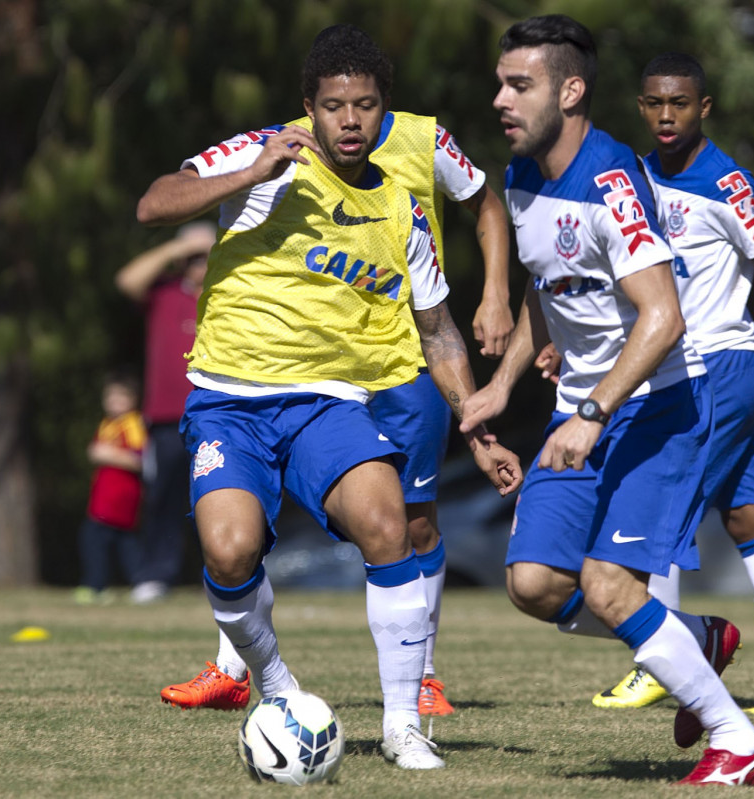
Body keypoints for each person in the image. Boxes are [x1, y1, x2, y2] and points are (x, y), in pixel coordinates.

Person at [135, 24, 522, 771]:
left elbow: (438, 331)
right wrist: (248, 174)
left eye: (367, 105)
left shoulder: (403, 209)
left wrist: (479, 429)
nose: (351, 120)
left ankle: (405, 725)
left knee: (389, 522)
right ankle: (276, 686)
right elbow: (155, 204)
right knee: (229, 546)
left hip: (327, 404)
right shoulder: (264, 158)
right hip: (230, 400)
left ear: (385, 111)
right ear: (307, 107)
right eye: (335, 105)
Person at [460, 15, 754, 786]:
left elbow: (663, 319)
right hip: (582, 407)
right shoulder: (523, 175)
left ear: (571, 92)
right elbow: (549, 278)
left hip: (659, 408)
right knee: (534, 585)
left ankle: (740, 741)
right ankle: (693, 639)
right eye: (501, 82)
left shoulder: (612, 182)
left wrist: (593, 411)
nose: (501, 98)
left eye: (520, 85)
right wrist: (500, 388)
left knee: (608, 586)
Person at [577, 52, 754, 716]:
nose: (667, 115)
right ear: (641, 106)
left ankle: (661, 658)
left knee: (656, 499)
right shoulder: (634, 176)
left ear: (704, 107)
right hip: (683, 370)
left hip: (719, 364)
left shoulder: (726, 182)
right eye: (655, 103)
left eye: (681, 103)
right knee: (749, 516)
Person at [115, 221, 216, 604]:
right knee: (162, 499)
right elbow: (127, 280)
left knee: (220, 495)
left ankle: (225, 576)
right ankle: (155, 574)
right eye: (191, 258)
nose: (198, 264)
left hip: (217, 414)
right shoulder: (164, 293)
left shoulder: (229, 295)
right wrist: (177, 249)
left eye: (204, 256)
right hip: (164, 417)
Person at [74, 372, 147, 604]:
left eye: (121, 397)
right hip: (103, 497)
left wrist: (108, 454)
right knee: (118, 543)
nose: (114, 403)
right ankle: (138, 582)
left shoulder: (133, 424)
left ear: (133, 400)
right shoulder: (107, 424)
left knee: (98, 540)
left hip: (120, 497)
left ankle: (96, 585)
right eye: (111, 397)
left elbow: (140, 460)